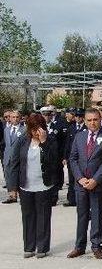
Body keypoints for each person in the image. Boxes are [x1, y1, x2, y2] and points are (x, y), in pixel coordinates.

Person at [6, 113, 59, 258]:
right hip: (26, 185)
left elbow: (54, 162)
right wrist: (12, 187)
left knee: (43, 217)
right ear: (28, 129)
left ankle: (42, 247)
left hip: (44, 185)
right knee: (28, 216)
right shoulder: (22, 141)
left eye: (39, 128)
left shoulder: (51, 140)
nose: (36, 132)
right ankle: (29, 247)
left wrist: (44, 143)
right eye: (33, 129)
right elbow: (14, 164)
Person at [67, 108, 102, 259]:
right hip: (81, 183)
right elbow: (73, 158)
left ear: (100, 120)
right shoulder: (79, 136)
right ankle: (79, 246)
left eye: (95, 119)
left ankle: (96, 246)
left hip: (97, 183)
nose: (92, 123)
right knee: (82, 215)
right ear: (85, 121)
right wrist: (80, 178)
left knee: (97, 215)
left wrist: (95, 180)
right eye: (89, 120)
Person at [62, 108, 86, 207]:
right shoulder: (71, 128)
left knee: (82, 178)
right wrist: (64, 157)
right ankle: (71, 199)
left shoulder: (86, 127)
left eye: (80, 116)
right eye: (76, 116)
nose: (78, 118)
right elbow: (67, 144)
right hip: (72, 157)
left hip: (83, 157)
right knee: (71, 179)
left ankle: (82, 199)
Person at [2, 110, 25, 204]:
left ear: (20, 118)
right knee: (8, 176)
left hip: (19, 157)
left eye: (17, 117)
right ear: (10, 118)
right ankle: (12, 195)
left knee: (18, 176)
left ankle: (22, 195)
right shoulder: (6, 130)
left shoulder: (24, 130)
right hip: (8, 157)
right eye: (13, 117)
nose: (15, 119)